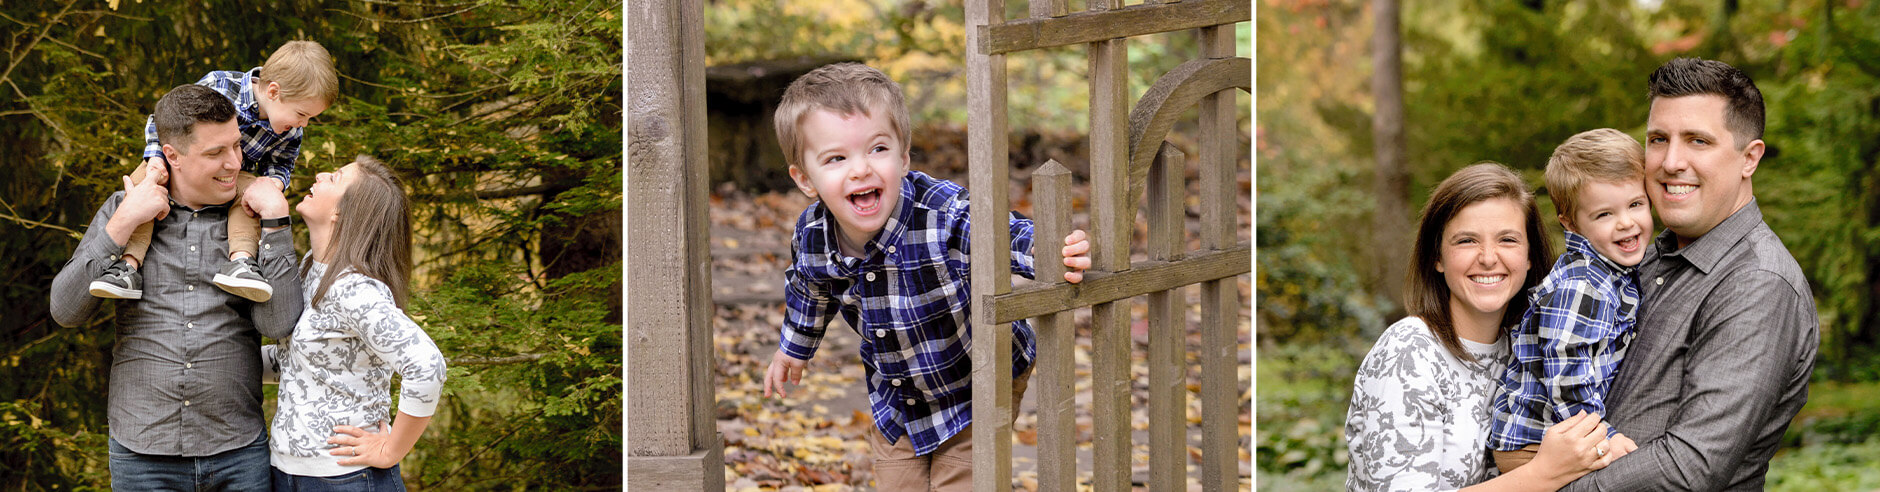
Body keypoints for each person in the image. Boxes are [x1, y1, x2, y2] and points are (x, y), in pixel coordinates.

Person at [756, 62, 1092, 491]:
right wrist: (793, 350)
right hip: (898, 398)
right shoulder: (814, 236)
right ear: (805, 180)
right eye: (836, 158)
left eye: (878, 149)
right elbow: (810, 290)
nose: (860, 169)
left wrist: (1051, 251)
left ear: (904, 155)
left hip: (978, 379)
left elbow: (997, 231)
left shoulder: (940, 212)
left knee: (964, 479)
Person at [1559, 58, 1819, 491]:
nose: (1671, 162)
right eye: (1658, 139)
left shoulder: (1757, 282)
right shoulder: (1639, 256)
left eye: (1698, 141)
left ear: (1749, 158)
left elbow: (1691, 466)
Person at [50, 83, 303, 490]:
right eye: (215, 153)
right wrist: (120, 225)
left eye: (237, 146)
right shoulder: (127, 210)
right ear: (172, 155)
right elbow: (65, 310)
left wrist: (276, 222)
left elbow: (279, 323)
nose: (235, 163)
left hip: (237, 452)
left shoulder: (256, 213)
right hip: (142, 453)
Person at [1346, 162, 1624, 491]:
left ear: (1530, 255)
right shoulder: (1410, 352)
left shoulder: (1530, 347)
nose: (1489, 257)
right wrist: (1543, 473)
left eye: (1507, 240)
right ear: (1438, 257)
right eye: (1467, 241)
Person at [90, 40, 337, 303]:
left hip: (232, 176)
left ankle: (241, 262)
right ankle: (127, 266)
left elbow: (281, 162)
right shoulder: (220, 86)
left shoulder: (291, 131)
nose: (304, 124)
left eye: (310, 118)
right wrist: (155, 157)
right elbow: (164, 119)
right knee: (144, 188)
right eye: (302, 114)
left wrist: (273, 183)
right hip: (173, 158)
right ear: (274, 92)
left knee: (251, 195)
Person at [263, 155, 447, 490]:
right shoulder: (309, 269)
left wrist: (391, 450)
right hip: (290, 473)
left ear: (341, 213)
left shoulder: (354, 288)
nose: (319, 174)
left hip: (345, 478)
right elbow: (303, 363)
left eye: (334, 178)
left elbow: (427, 365)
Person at [1487, 129, 1650, 471]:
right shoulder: (1582, 287)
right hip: (1532, 441)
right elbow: (1568, 379)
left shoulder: (1614, 271)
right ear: (1570, 222)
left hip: (1555, 430)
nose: (1626, 223)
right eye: (1604, 214)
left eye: (1636, 204)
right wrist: (1604, 435)